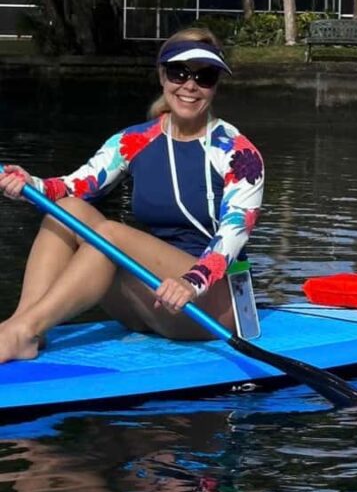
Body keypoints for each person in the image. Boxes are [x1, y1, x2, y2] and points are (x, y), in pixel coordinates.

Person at [0, 27, 264, 362]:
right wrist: (27, 184)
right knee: (67, 210)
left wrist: (190, 282)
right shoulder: (133, 141)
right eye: (178, 72)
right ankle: (25, 329)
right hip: (154, 298)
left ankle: (20, 331)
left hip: (215, 303)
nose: (190, 85)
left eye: (205, 76)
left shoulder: (240, 155)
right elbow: (71, 186)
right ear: (162, 75)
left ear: (216, 85)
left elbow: (233, 235)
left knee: (110, 234)